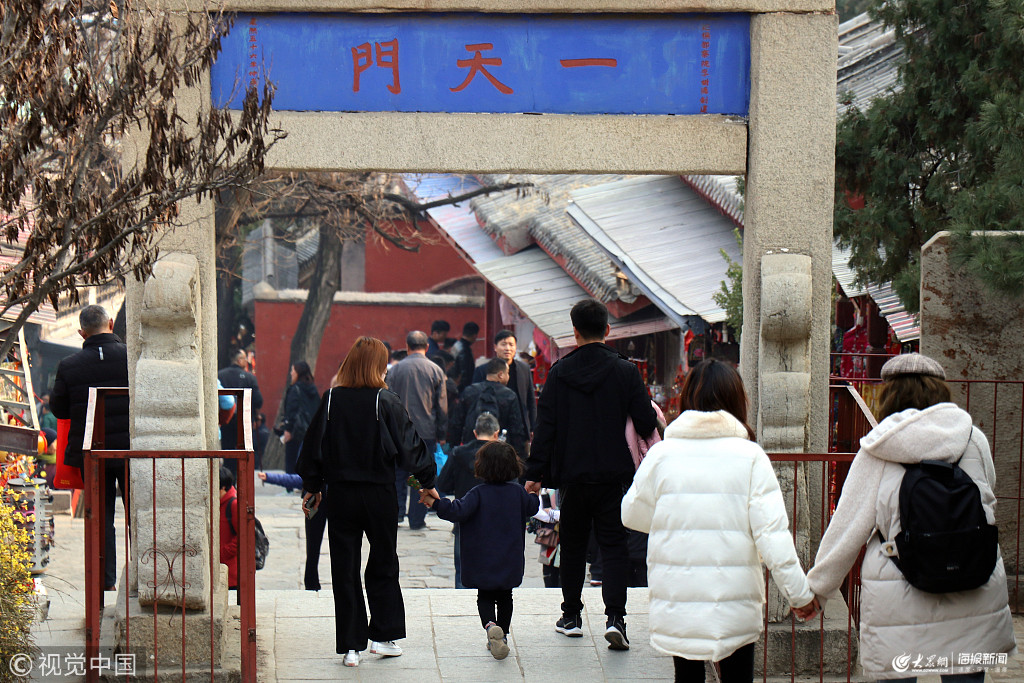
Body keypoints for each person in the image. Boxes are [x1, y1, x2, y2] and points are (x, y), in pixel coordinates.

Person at [806, 353, 1015, 682]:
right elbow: (988, 497)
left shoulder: (878, 448)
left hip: (899, 591)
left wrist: (817, 591)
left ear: (889, 395)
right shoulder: (973, 439)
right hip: (973, 580)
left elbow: (847, 528)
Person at [621, 359, 817, 682]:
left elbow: (631, 514)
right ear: (737, 401)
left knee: (687, 677)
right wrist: (800, 595)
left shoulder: (661, 455)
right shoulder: (751, 457)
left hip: (679, 600)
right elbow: (773, 537)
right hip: (734, 603)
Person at [524, 298, 658, 651]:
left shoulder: (559, 373)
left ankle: (571, 616)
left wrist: (535, 472)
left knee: (572, 546)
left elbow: (546, 427)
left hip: (573, 476)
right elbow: (645, 422)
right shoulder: (626, 371)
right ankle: (616, 619)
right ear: (607, 329)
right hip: (615, 477)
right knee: (614, 546)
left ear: (575, 331)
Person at [296, 336, 437, 668]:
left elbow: (312, 447)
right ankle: (384, 637)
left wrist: (313, 486)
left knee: (344, 567)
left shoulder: (331, 399)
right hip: (379, 494)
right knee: (384, 562)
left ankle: (351, 646)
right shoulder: (385, 400)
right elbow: (411, 447)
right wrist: (427, 482)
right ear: (378, 366)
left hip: (341, 494)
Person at [422, 441, 539, 661]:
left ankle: (490, 626)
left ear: (482, 467)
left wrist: (435, 503)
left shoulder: (478, 493)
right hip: (509, 558)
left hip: (482, 559)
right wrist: (533, 493)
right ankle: (502, 635)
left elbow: (456, 511)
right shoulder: (517, 493)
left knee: (484, 596)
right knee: (506, 597)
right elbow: (532, 507)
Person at [50, 304, 130, 592]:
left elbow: (59, 409)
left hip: (92, 452)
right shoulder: (131, 357)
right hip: (131, 451)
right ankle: (144, 576)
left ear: (81, 333)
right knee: (139, 514)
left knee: (101, 517)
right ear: (111, 323)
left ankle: (105, 583)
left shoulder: (69, 365)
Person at [385, 331, 447, 530]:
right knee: (421, 476)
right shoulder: (435, 370)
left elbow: (386, 401)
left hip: (398, 431)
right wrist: (442, 433)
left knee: (398, 474)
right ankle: (417, 518)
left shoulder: (395, 370)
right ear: (427, 347)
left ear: (407, 346)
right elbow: (441, 406)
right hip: (425, 431)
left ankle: (396, 513)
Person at [436, 411, 498, 588]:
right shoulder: (502, 456)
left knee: (463, 572)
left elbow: (443, 483)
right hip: (494, 521)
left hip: (464, 519)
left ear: (475, 432)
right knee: (493, 572)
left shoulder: (458, 453)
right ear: (496, 434)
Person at [257, 470, 325, 591]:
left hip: (317, 492)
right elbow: (299, 479)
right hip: (322, 492)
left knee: (313, 546)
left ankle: (312, 583)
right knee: (314, 546)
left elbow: (301, 477)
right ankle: (312, 582)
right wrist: (269, 477)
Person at [454, 357, 527, 458]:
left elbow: (457, 423)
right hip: (500, 452)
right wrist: (519, 456)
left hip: (471, 450)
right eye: (507, 373)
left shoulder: (469, 392)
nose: (508, 376)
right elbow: (516, 429)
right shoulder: (509, 396)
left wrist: (455, 447)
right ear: (501, 374)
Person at [471, 330, 537, 441]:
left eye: (511, 345)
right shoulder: (482, 370)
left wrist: (533, 426)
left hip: (519, 428)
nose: (508, 348)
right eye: (503, 344)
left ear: (515, 347)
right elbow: (474, 400)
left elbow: (530, 400)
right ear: (495, 347)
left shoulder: (524, 369)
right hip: (491, 428)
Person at [218, 348, 264, 475]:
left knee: (228, 450)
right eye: (244, 358)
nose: (246, 361)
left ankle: (229, 477)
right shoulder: (250, 377)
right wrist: (256, 415)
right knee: (244, 450)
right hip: (245, 420)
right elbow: (258, 400)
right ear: (239, 360)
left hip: (226, 419)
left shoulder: (220, 375)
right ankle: (242, 476)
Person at [280, 361, 320, 477]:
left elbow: (291, 410)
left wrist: (288, 429)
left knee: (292, 461)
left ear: (298, 373)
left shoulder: (295, 389)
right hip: (311, 431)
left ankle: (291, 484)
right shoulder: (313, 389)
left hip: (296, 431)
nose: (291, 373)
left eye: (293, 370)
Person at [218, 466, 240, 600]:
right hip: (220, 566)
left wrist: (224, 552)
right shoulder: (219, 503)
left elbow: (242, 536)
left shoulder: (233, 504)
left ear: (223, 488)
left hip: (231, 570)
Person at [450, 321, 480, 394]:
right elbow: (465, 372)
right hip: (461, 387)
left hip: (454, 382)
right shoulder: (465, 349)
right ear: (474, 335)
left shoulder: (456, 345)